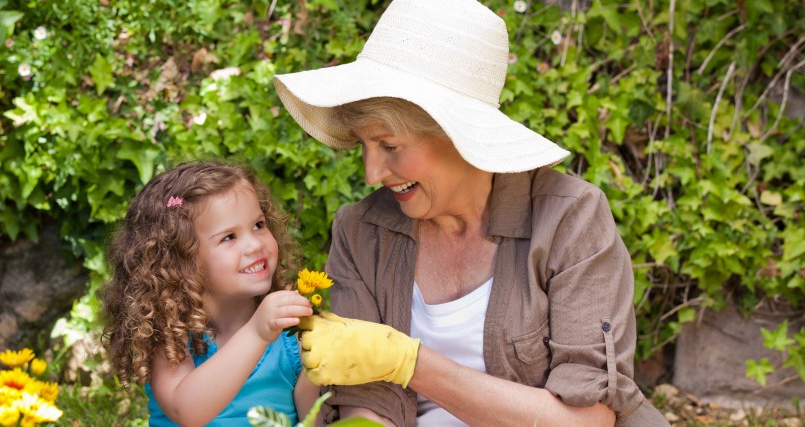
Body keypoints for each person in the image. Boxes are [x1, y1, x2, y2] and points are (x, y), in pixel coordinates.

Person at [272, 0, 668, 426]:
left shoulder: (570, 220)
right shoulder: (361, 231)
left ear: (458, 137)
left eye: (389, 146)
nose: (371, 174)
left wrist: (410, 363)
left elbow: (587, 420)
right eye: (364, 145)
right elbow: (368, 406)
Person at [102, 161, 320, 426]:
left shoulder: (293, 338)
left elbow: (315, 420)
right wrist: (257, 333)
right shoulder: (172, 336)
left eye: (259, 225)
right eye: (229, 237)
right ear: (181, 259)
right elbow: (187, 412)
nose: (254, 244)